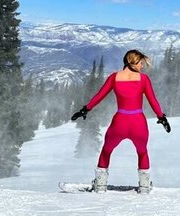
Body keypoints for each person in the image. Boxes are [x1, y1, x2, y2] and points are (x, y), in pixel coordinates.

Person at [71, 49, 171, 193]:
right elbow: (153, 101)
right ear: (133, 62)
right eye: (140, 63)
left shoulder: (114, 77)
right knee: (142, 152)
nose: (142, 66)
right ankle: (144, 186)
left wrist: (85, 109)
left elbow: (99, 96)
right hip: (138, 123)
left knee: (106, 151)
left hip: (120, 122)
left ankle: (100, 185)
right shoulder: (143, 79)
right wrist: (161, 118)